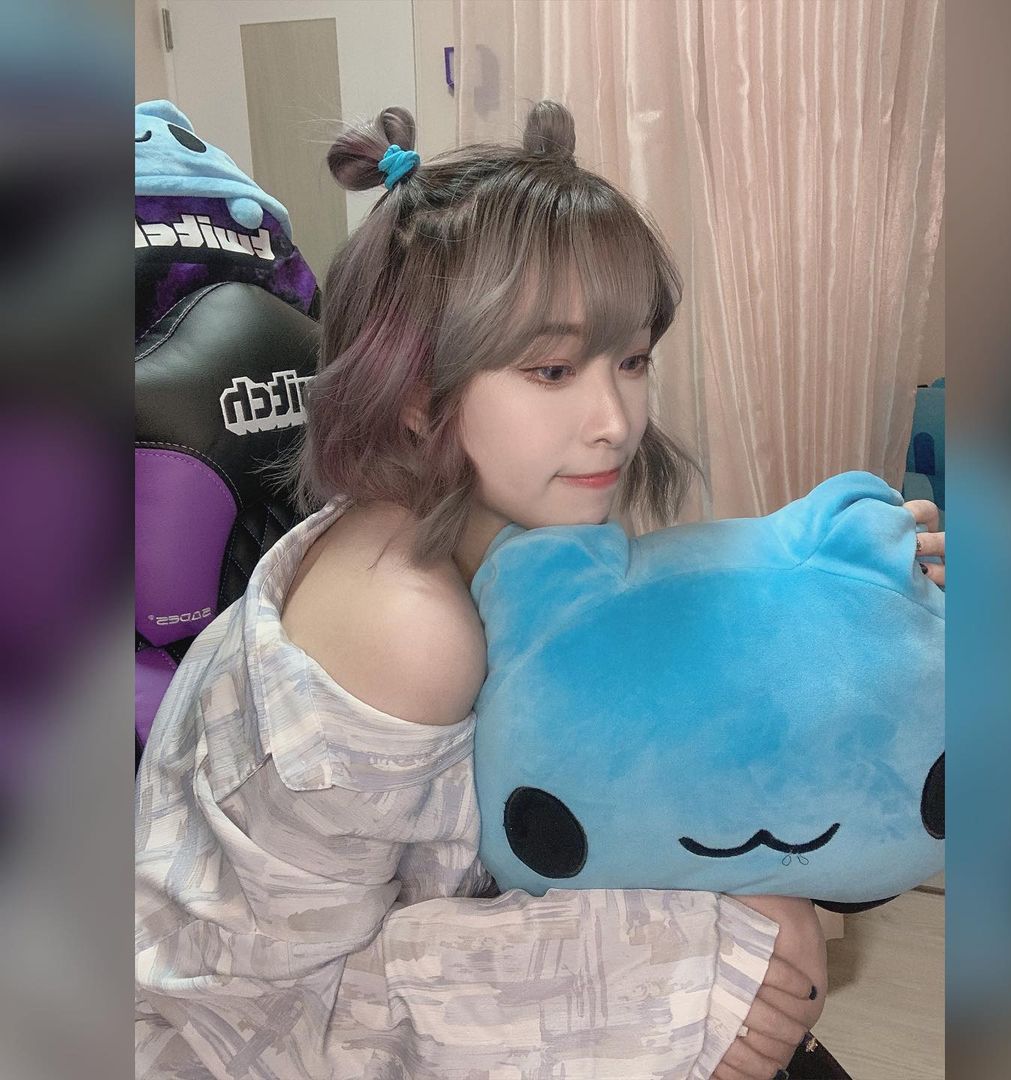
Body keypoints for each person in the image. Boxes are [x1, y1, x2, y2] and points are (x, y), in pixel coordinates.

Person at [135, 101, 944, 1079]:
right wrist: (698, 974)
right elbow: (294, 1016)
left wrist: (863, 591)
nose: (615, 420)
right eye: (552, 369)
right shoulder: (407, 625)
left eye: (631, 360)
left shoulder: (508, 527)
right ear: (415, 389)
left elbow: (651, 667)